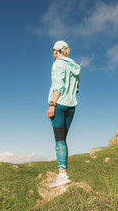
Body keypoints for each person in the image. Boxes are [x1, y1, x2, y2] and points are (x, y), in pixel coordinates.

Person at [47, 40, 80, 188]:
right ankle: (63, 173)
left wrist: (52, 104)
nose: (53, 54)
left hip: (59, 105)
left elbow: (58, 85)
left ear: (56, 51)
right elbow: (76, 89)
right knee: (63, 140)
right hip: (71, 106)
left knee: (59, 141)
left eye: (54, 51)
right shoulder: (74, 66)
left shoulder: (58, 64)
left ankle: (62, 175)